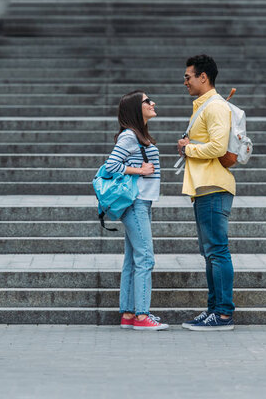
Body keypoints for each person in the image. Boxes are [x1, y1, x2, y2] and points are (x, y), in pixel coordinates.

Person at [177, 54, 236, 331]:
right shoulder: (204, 105)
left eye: (188, 76)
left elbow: (218, 147)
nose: (184, 81)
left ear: (204, 77)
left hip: (213, 186)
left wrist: (188, 148)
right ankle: (214, 309)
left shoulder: (214, 106)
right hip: (204, 188)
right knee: (210, 252)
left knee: (217, 251)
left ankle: (223, 313)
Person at [105, 90, 168, 331]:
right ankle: (142, 316)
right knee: (145, 258)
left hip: (141, 202)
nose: (153, 103)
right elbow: (111, 165)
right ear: (135, 109)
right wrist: (140, 171)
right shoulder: (130, 136)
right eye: (147, 101)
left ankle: (129, 314)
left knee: (132, 259)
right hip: (136, 202)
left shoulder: (136, 136)